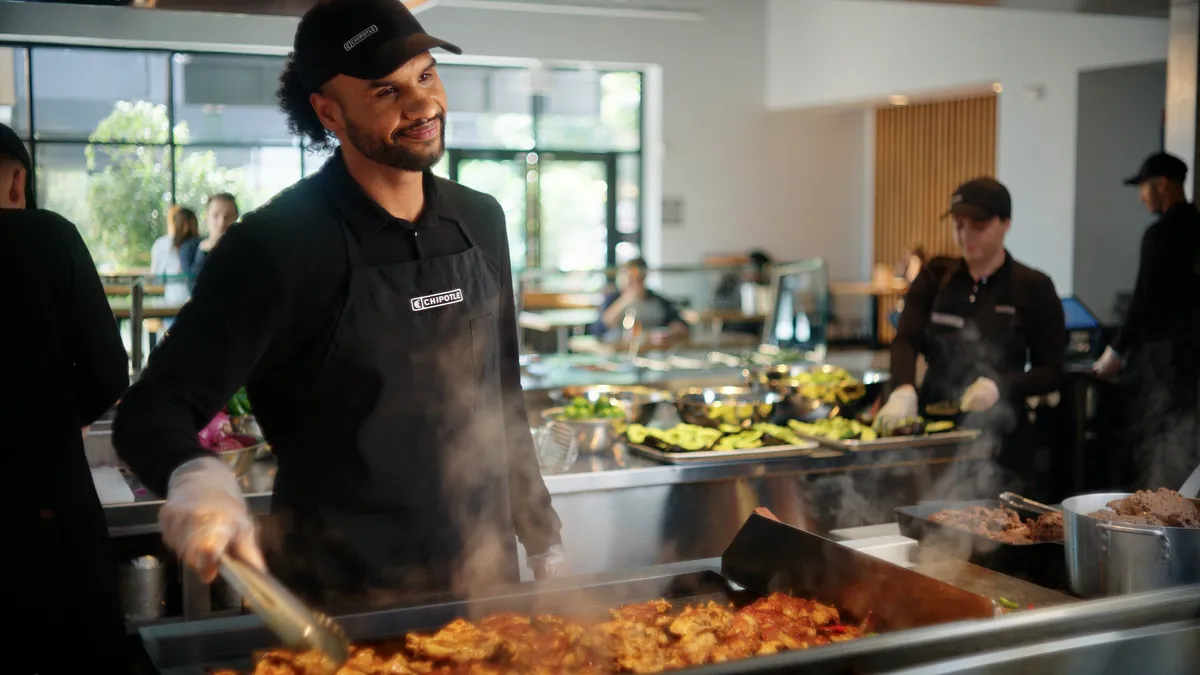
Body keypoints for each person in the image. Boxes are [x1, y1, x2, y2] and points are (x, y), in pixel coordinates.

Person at [114, 0, 565, 604]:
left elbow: (501, 392)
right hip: (345, 596)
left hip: (484, 580)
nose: (422, 105)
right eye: (385, 91)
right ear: (328, 111)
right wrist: (195, 476)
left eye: (426, 75)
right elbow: (153, 406)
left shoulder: (481, 219)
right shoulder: (276, 245)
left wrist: (543, 539)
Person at [1, 123, 133, 673]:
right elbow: (108, 369)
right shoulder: (48, 238)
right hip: (46, 514)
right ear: (17, 182)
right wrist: (60, 422)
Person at [877, 178, 1066, 494]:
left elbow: (1053, 371)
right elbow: (906, 339)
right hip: (936, 438)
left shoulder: (1033, 287)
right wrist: (904, 388)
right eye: (958, 225)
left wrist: (1000, 386)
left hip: (1002, 444)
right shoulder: (935, 275)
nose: (965, 235)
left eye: (978, 225)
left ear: (1005, 224)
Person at [1092, 152, 1200, 488]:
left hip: (1162, 368)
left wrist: (1116, 351)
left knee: (1155, 452)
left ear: (1162, 185)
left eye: (1143, 187)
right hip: (1194, 369)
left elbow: (1144, 302)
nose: (1141, 196)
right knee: (1187, 451)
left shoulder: (1160, 234)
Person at [591, 258, 689, 340]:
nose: (633, 282)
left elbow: (679, 324)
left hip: (650, 350)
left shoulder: (657, 300)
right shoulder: (613, 299)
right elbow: (599, 329)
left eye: (638, 278)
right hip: (618, 351)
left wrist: (672, 331)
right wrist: (625, 300)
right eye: (630, 278)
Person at [150, 204, 201, 307]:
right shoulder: (163, 245)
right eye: (183, 224)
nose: (186, 229)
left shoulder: (201, 246)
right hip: (173, 303)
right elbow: (156, 279)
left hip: (194, 303)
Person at [191, 192, 239, 288]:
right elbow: (193, 286)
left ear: (236, 218)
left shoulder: (248, 250)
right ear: (207, 217)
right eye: (216, 215)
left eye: (228, 216)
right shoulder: (190, 249)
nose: (221, 223)